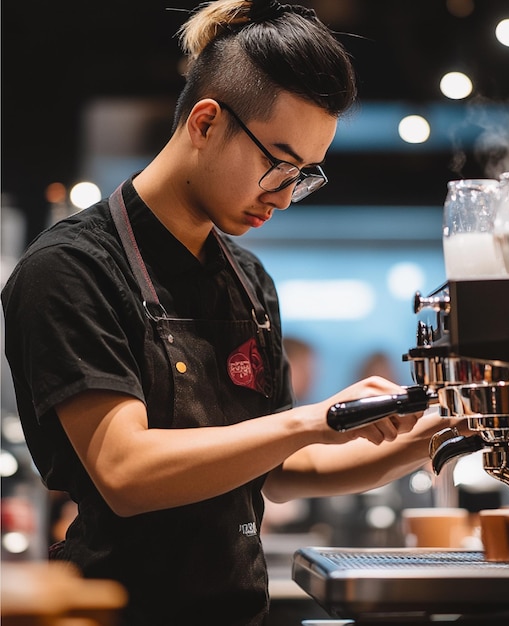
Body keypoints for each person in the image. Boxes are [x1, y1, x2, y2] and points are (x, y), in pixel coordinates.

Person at [2, 1, 466, 624]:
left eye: (302, 175)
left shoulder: (248, 281)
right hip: (115, 611)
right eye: (276, 163)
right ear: (205, 122)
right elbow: (125, 469)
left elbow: (275, 468)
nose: (284, 194)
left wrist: (430, 438)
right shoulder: (71, 268)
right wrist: (312, 419)